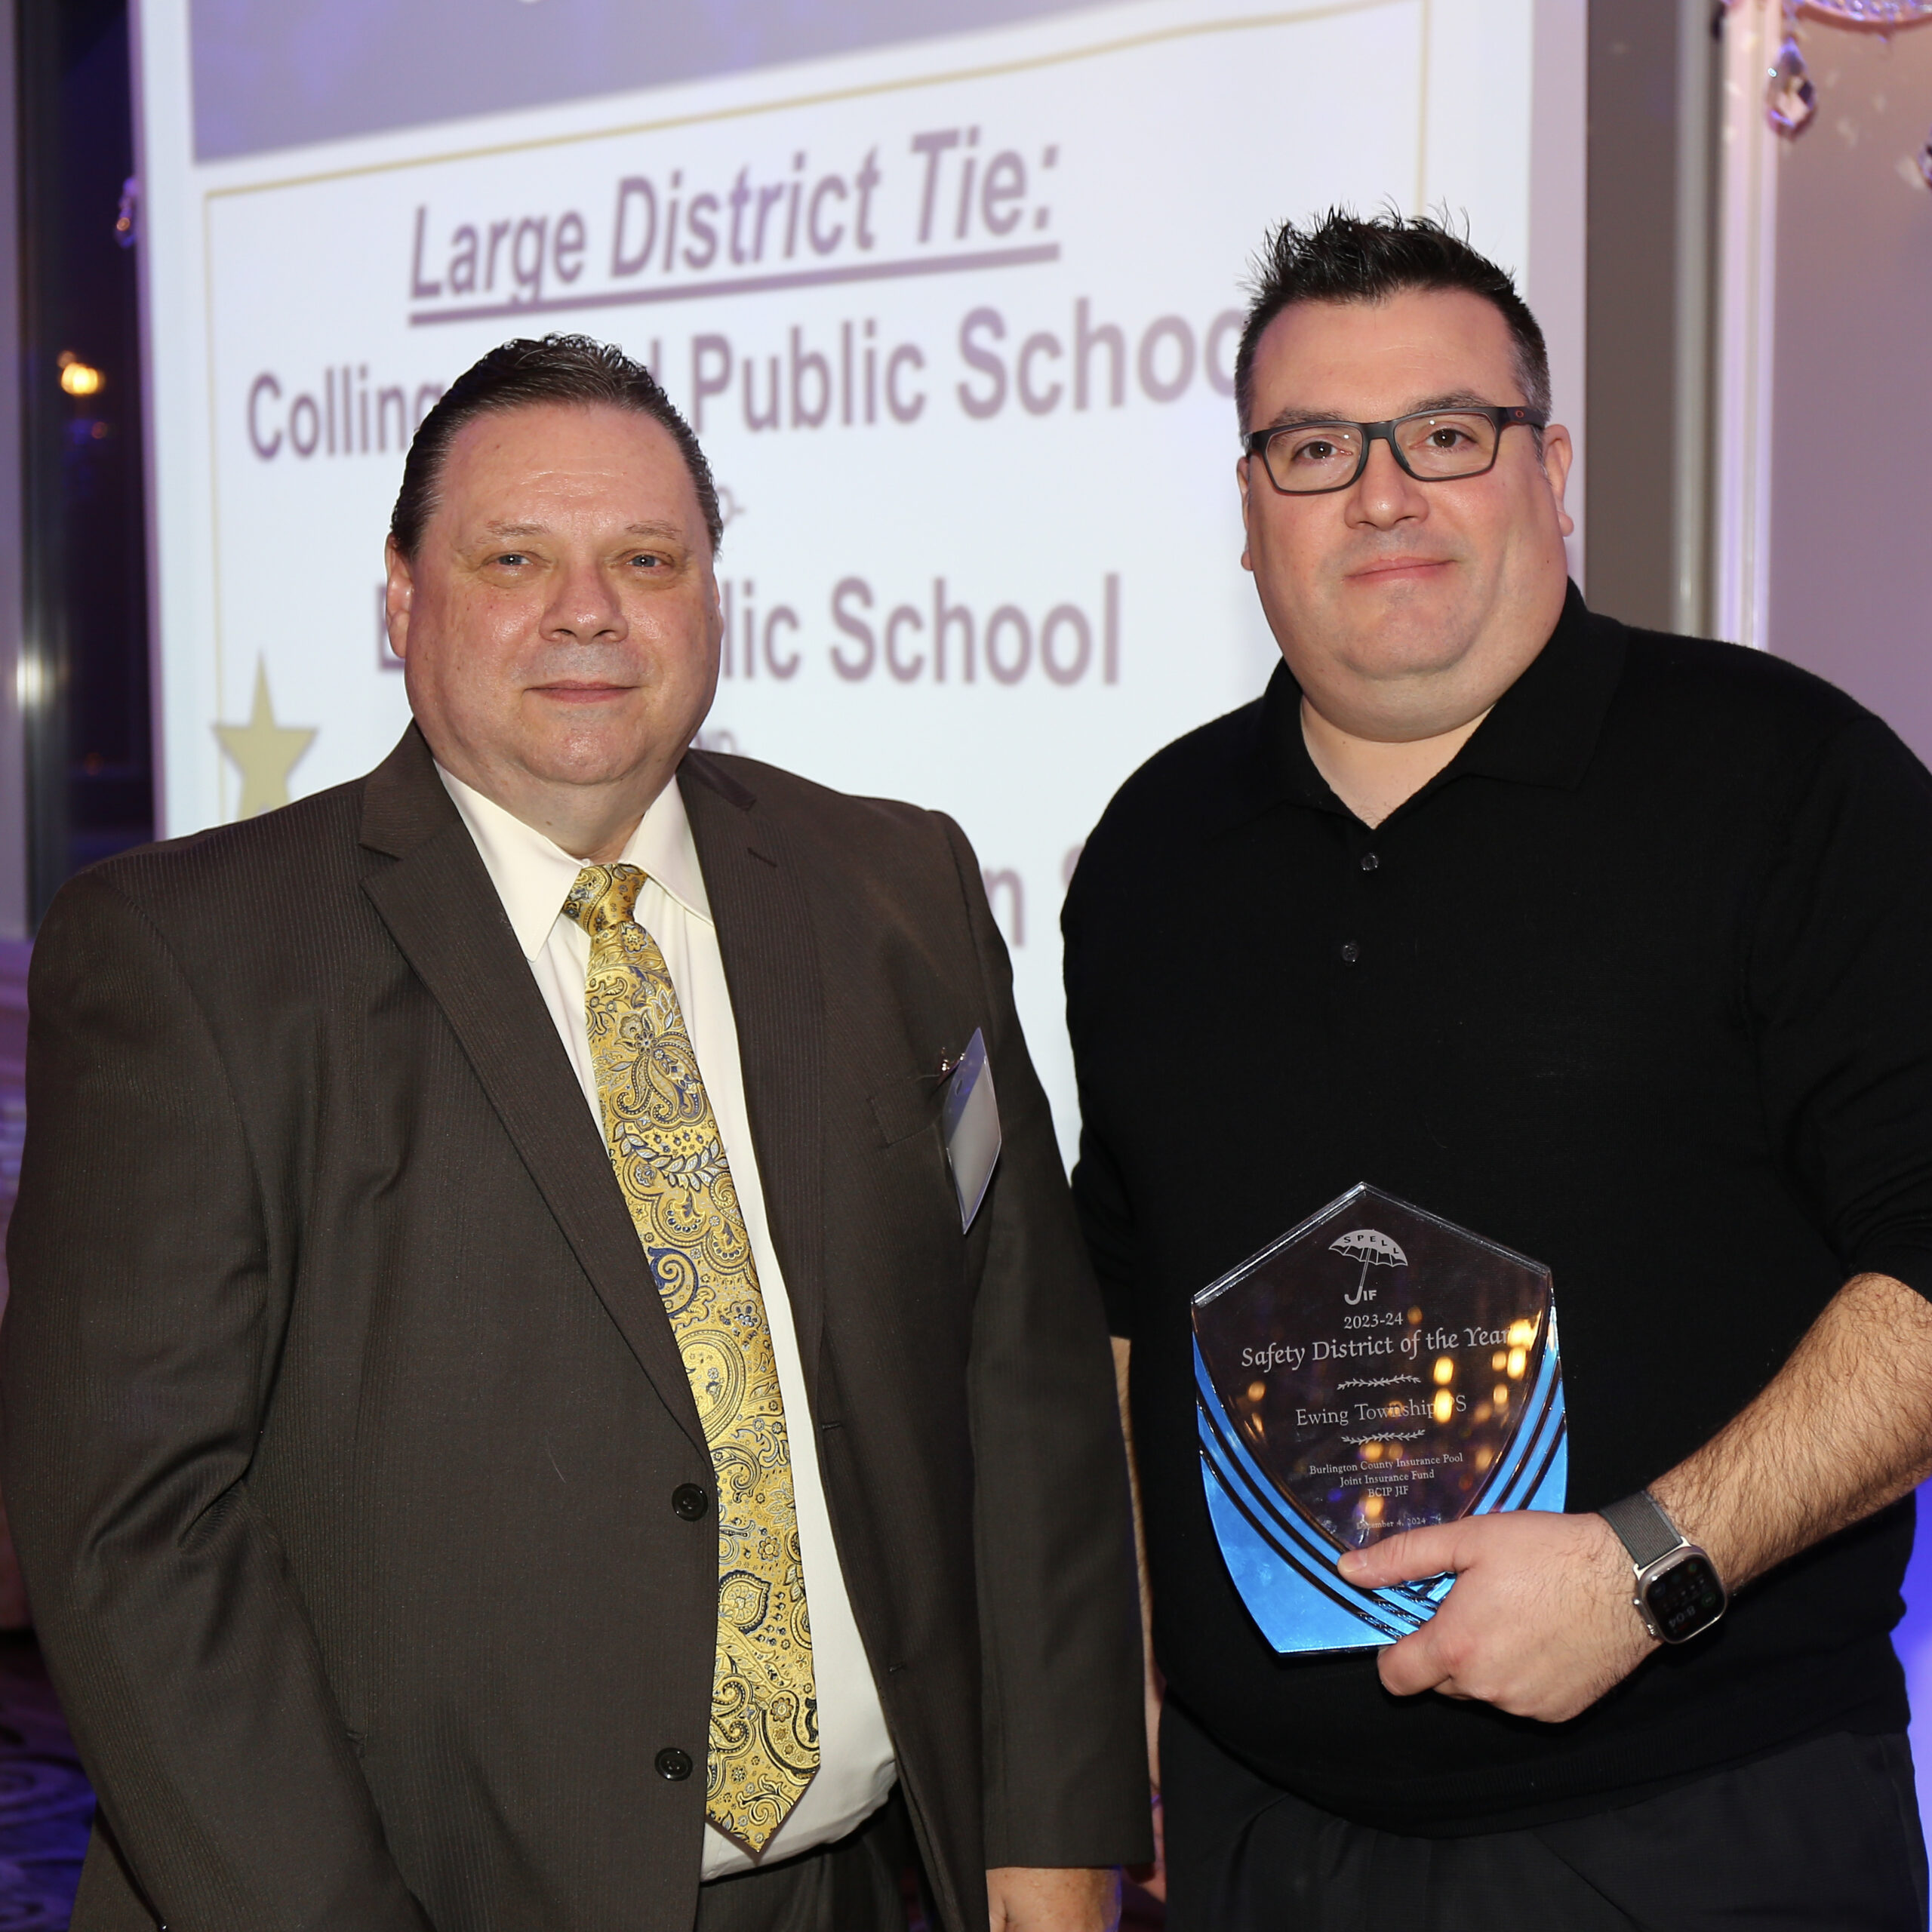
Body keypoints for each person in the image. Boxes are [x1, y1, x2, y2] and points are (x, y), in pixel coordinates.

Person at [2, 334, 1149, 1932]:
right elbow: (135, 1534)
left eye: (646, 559)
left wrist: (1054, 1823)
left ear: (712, 597)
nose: (588, 610)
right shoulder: (192, 957)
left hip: (875, 1885)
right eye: (515, 558)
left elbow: (1021, 1388)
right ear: (401, 598)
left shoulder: (900, 891)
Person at [1063, 211, 1932, 1930]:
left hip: (1699, 1836)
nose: (1382, 495)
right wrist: (1122, 1696)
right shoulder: (1155, 849)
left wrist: (1645, 1568)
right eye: (1316, 449)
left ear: (1552, 471)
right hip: (1251, 1841)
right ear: (1248, 506)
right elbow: (1125, 1311)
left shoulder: (1789, 782)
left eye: (1446, 434)